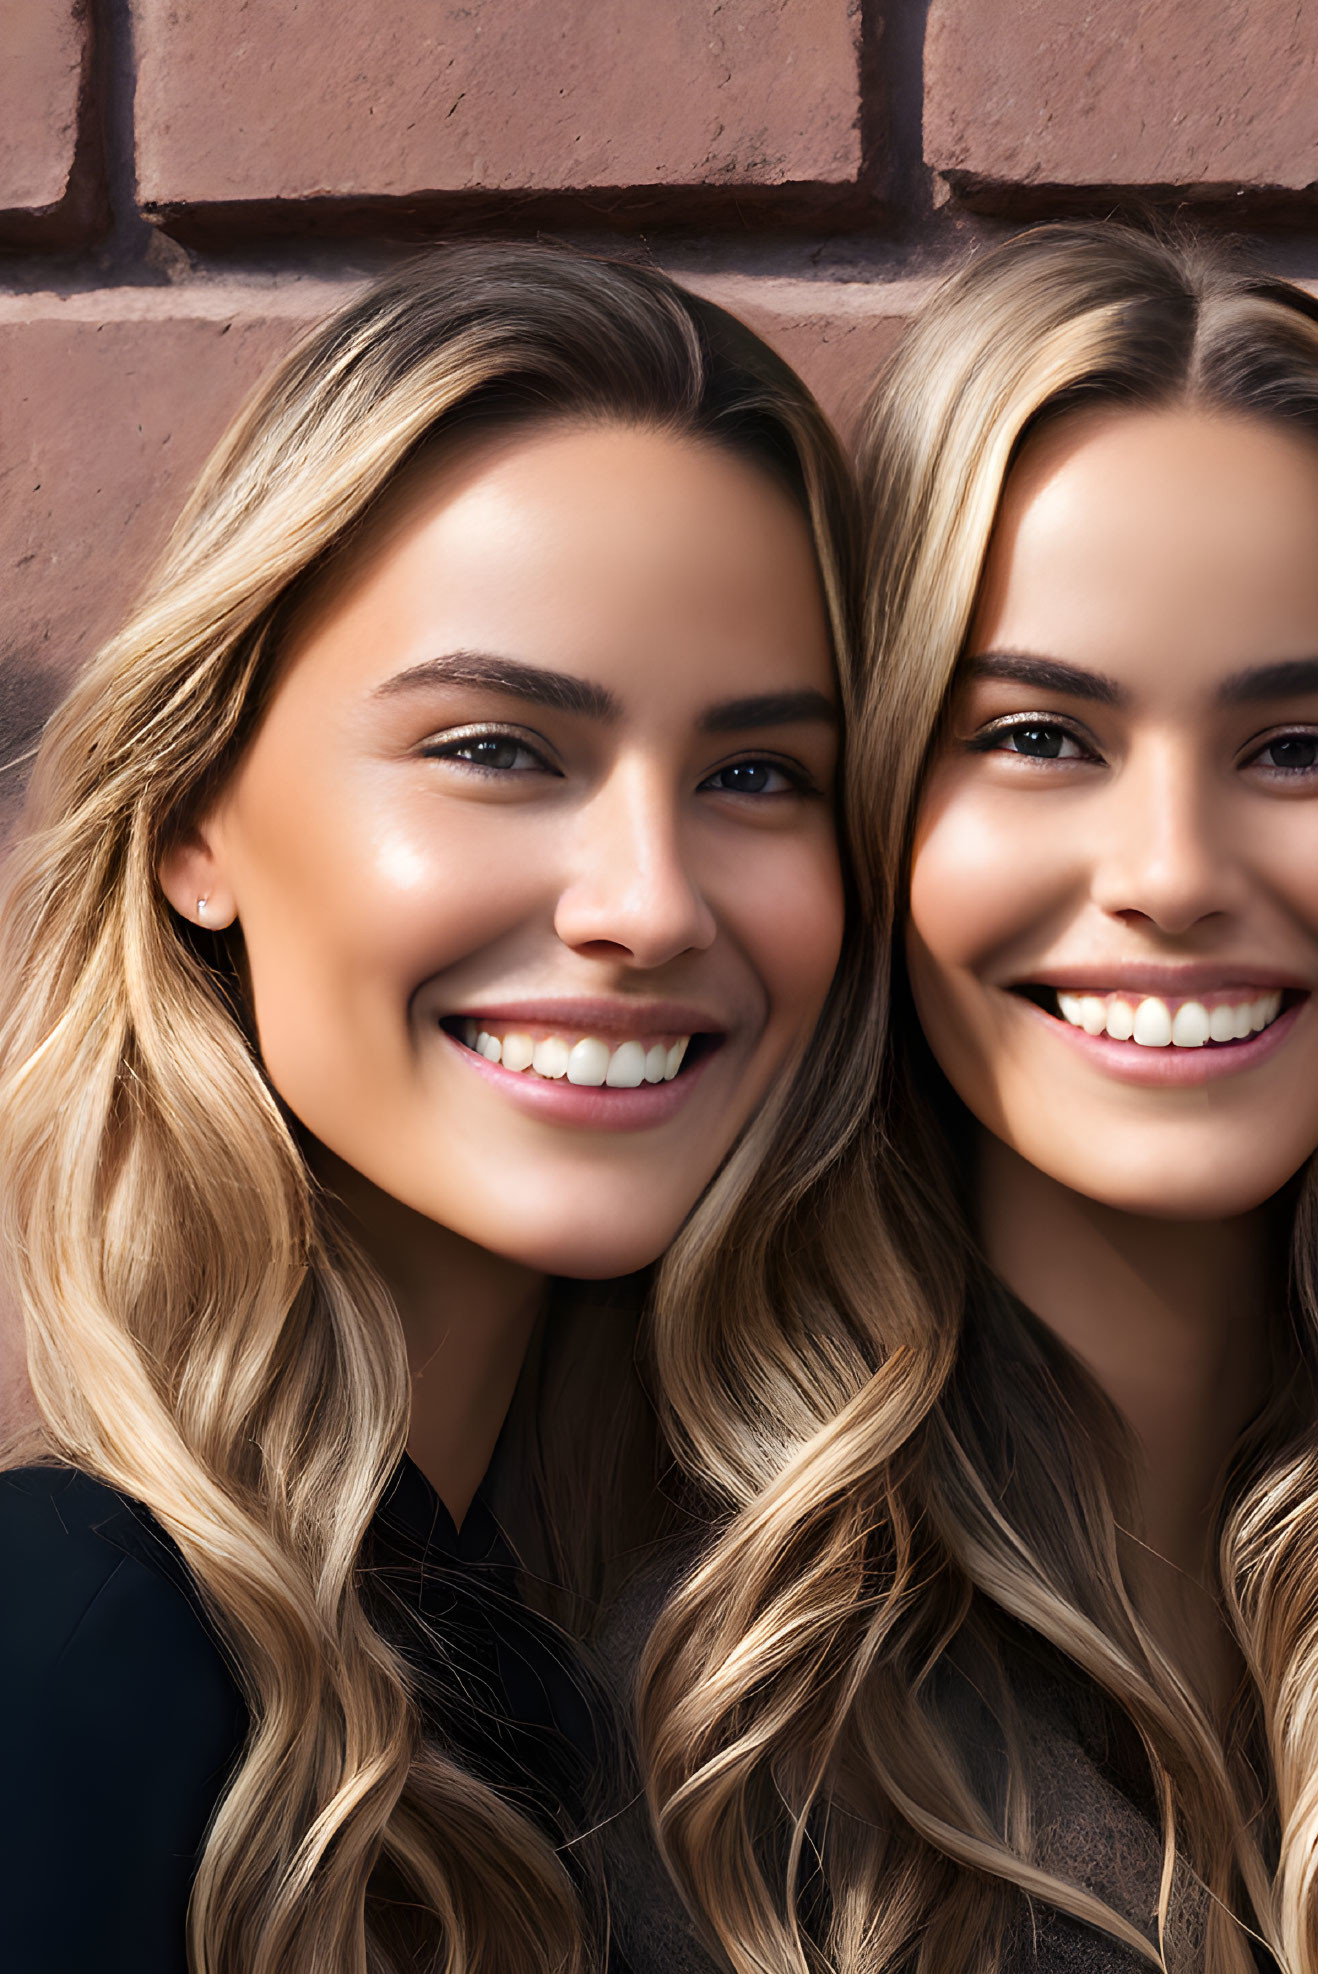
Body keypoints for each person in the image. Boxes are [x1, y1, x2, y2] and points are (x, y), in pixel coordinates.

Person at [614, 221, 1318, 1974]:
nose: (1170, 873)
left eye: (1301, 747)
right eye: (1039, 737)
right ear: (880, 788)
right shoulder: (666, 1646)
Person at [0, 245, 857, 1974]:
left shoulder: (578, 1683)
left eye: (755, 774)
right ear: (197, 821)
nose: (648, 901)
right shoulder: (63, 1654)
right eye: (496, 746)